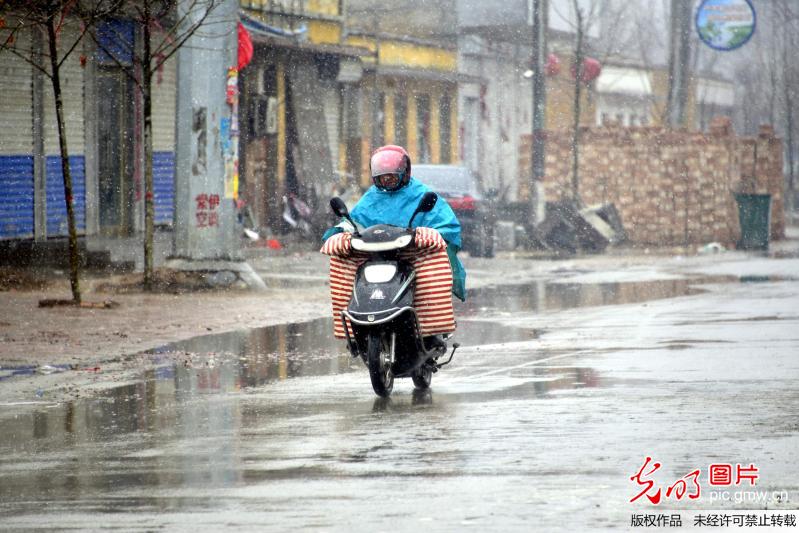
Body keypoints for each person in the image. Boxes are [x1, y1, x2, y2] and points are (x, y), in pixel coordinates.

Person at [321, 145, 467, 344]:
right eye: (383, 177)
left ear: (405, 174)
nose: (387, 181)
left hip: (412, 255)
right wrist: (340, 232)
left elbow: (446, 225)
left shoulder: (421, 194)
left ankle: (431, 330)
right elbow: (353, 222)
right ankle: (355, 326)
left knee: (430, 276)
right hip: (378, 256)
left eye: (392, 176)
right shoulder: (371, 198)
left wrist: (427, 235)